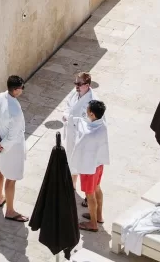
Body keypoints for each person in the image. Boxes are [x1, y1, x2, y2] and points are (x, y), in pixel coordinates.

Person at [0, 75, 28, 222]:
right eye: (22, 88)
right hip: (11, 148)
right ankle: (10, 211)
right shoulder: (15, 111)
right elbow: (12, 137)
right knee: (11, 179)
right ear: (17, 90)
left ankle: (0, 198)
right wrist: (2, 145)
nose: (23, 90)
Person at [69, 99, 109, 232]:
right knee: (97, 188)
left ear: (92, 114)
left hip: (88, 168)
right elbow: (85, 125)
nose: (86, 110)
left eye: (87, 109)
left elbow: (79, 144)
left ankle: (93, 224)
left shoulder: (88, 134)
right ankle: (98, 216)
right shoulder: (102, 125)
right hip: (98, 165)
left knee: (89, 194)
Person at [60, 71, 95, 166]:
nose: (76, 86)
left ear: (87, 85)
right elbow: (68, 105)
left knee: (76, 166)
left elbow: (90, 122)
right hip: (70, 132)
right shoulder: (74, 94)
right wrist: (66, 114)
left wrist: (71, 119)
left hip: (80, 138)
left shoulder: (92, 102)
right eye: (75, 83)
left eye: (79, 84)